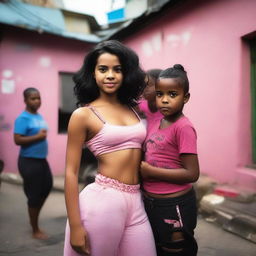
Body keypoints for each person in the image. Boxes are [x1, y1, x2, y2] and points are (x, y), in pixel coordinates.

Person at [63, 40, 157, 256]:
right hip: (104, 201)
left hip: (136, 200)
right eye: (103, 69)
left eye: (118, 69)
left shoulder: (134, 111)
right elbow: (70, 172)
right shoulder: (84, 115)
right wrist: (76, 226)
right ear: (93, 73)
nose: (110, 75)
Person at [140, 64, 200, 256]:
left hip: (175, 204)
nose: (164, 100)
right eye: (160, 94)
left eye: (172, 94)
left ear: (186, 97)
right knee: (158, 248)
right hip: (151, 202)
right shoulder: (157, 123)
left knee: (176, 251)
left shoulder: (183, 128)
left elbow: (192, 173)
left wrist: (151, 171)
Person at [14, 87, 53, 239]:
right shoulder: (22, 118)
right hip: (29, 161)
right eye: (33, 98)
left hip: (41, 160)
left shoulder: (38, 116)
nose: (37, 101)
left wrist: (39, 136)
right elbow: (17, 140)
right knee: (34, 195)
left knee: (47, 186)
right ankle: (35, 229)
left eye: (38, 98)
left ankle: (34, 212)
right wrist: (38, 137)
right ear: (25, 100)